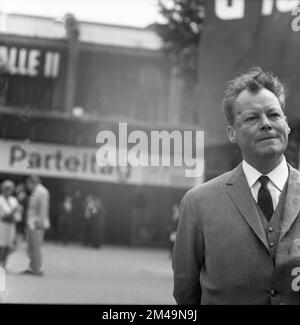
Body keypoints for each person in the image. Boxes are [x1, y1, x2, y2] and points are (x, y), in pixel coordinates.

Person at [173, 67, 300, 305]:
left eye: (274, 115)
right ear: (231, 133)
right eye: (252, 118)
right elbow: (186, 293)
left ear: (287, 124)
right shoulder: (198, 203)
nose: (266, 124)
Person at [22, 175, 50, 275]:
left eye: (27, 184)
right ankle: (32, 267)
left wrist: (40, 223)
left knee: (36, 247)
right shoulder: (36, 191)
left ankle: (38, 268)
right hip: (32, 223)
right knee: (31, 247)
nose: (27, 187)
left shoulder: (41, 192)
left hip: (37, 223)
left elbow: (43, 208)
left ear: (32, 182)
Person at [0, 180, 21, 268]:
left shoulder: (14, 200)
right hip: (2, 225)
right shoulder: (0, 199)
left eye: (10, 189)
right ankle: (1, 262)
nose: (8, 191)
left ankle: (5, 262)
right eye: (6, 189)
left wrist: (15, 214)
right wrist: (14, 211)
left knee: (9, 246)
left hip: (11, 225)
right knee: (1, 245)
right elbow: (5, 214)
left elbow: (18, 216)